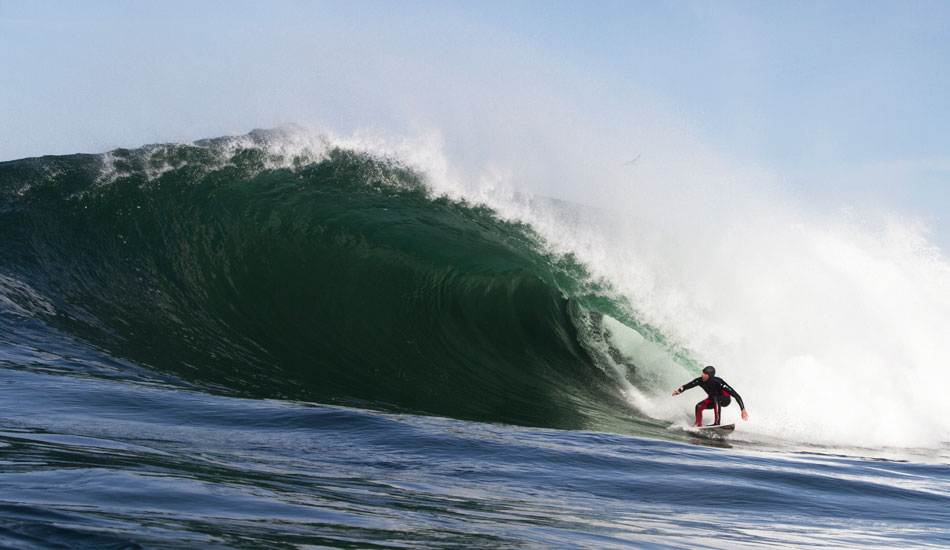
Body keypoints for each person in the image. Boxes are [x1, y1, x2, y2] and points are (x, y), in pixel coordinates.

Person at [672, 366, 749, 427]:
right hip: (713, 399)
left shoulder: (719, 382)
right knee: (699, 406)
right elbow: (686, 386)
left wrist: (743, 409)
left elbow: (736, 395)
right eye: (703, 373)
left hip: (725, 399)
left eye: (705, 374)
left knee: (716, 398)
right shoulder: (700, 381)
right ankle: (698, 424)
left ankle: (717, 423)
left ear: (710, 375)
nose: (702, 375)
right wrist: (679, 391)